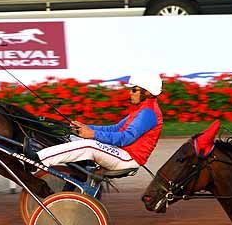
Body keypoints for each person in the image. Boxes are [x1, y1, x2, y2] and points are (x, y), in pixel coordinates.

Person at [34, 72, 163, 171]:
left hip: (128, 158)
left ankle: (38, 159)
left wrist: (93, 134)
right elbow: (116, 128)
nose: (130, 93)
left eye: (134, 89)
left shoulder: (148, 113)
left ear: (147, 92)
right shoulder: (142, 109)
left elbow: (126, 138)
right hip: (121, 152)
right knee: (74, 138)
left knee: (89, 146)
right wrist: (86, 128)